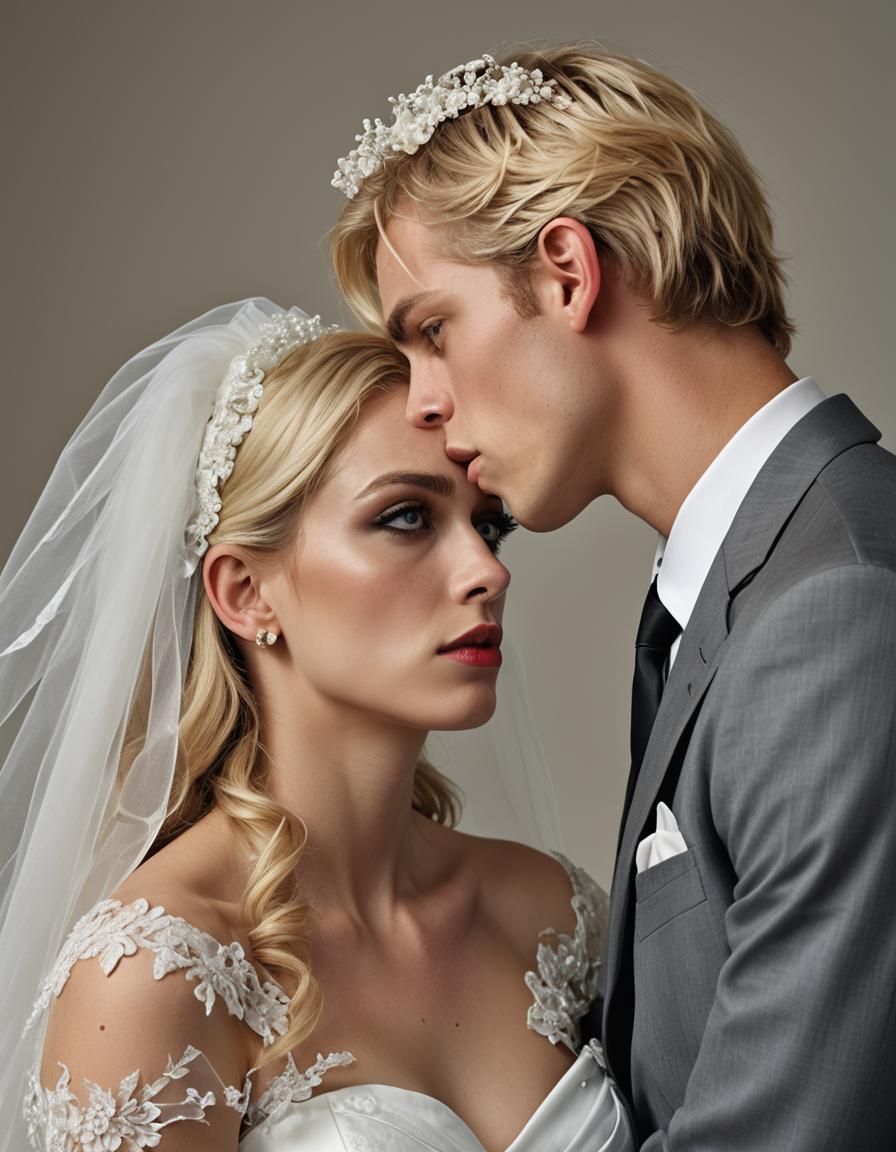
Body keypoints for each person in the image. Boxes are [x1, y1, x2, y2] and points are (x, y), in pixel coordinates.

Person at [329, 47, 896, 1150]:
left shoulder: (834, 612)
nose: (425, 406)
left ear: (564, 273)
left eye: (432, 331)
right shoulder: (749, 584)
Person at [0, 299, 633, 1151]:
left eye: (488, 525)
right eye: (406, 517)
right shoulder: (153, 975)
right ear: (245, 593)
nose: (487, 570)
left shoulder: (552, 913)